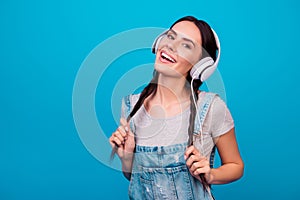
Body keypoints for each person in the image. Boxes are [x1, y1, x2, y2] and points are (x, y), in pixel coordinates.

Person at [109, 16, 244, 199]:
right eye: (171, 37)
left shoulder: (211, 108)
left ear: (201, 66)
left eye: (186, 45)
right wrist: (126, 160)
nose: (171, 46)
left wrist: (211, 175)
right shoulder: (131, 108)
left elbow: (235, 166)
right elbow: (135, 179)